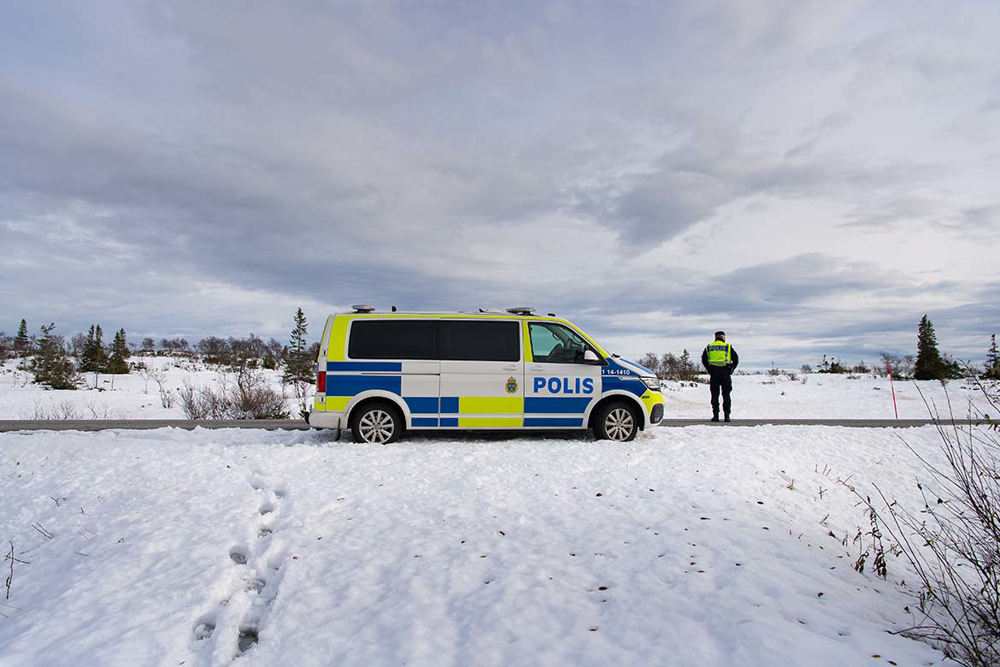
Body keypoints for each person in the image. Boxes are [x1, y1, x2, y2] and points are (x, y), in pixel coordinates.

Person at [702, 331, 739, 422]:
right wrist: (731, 369)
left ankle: (716, 416)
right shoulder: (728, 347)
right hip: (725, 372)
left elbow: (704, 359)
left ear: (715, 337)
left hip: (714, 373)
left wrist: (709, 369)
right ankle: (727, 416)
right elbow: (736, 359)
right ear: (723, 337)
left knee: (715, 395)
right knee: (726, 395)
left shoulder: (709, 347)